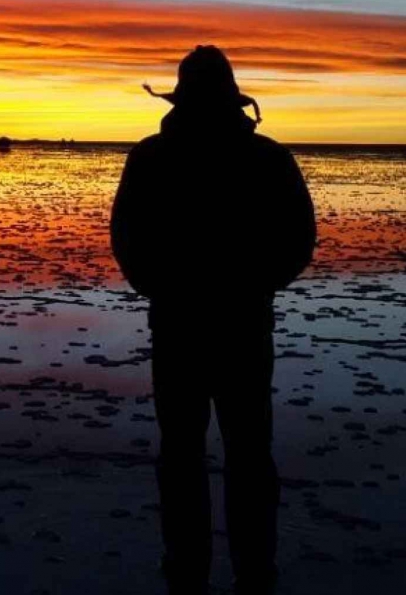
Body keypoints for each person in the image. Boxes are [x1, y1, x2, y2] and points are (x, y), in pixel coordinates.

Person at [110, 45, 315, 595]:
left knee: (185, 454)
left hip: (184, 324)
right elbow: (299, 241)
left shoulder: (151, 157)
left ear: (181, 98)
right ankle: (247, 571)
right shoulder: (269, 157)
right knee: (244, 453)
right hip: (239, 325)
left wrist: (163, 286)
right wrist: (255, 284)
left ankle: (189, 569)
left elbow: (127, 241)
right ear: (231, 98)